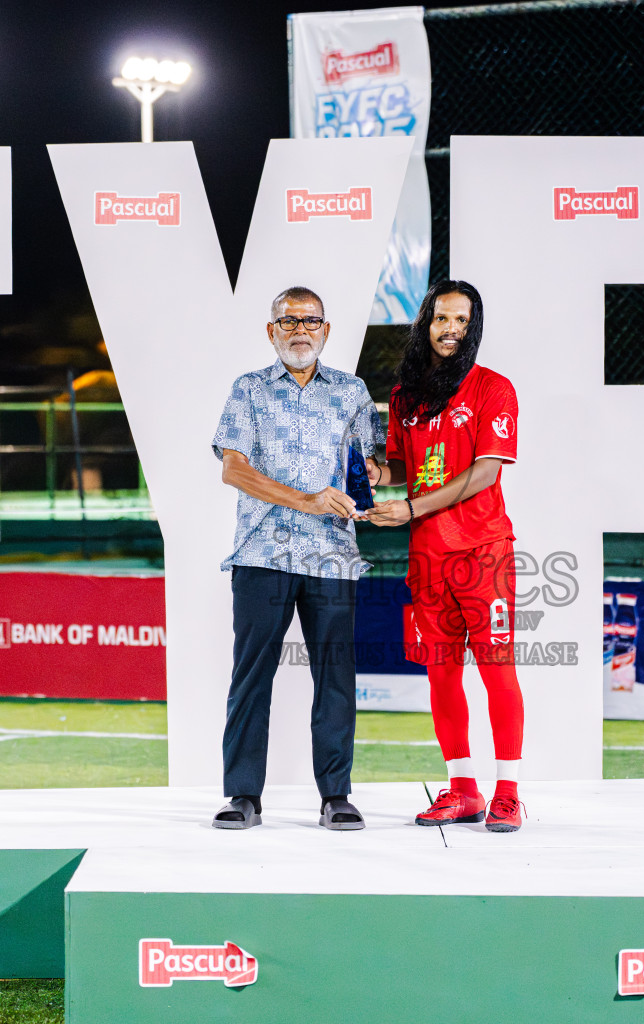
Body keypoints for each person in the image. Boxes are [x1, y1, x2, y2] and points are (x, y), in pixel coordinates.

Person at [210, 285, 383, 831]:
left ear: (326, 331)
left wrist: (371, 477)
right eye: (289, 322)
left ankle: (336, 796)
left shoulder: (353, 392)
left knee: (335, 676)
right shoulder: (249, 390)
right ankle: (242, 796)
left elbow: (368, 465)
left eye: (311, 322)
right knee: (251, 676)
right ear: (272, 331)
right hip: (262, 553)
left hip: (332, 556)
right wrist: (306, 499)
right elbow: (232, 469)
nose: (301, 330)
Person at [367, 280, 525, 833]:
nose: (450, 329)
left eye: (461, 320)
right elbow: (401, 470)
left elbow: (484, 473)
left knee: (496, 671)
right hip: (427, 558)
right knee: (440, 676)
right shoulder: (405, 396)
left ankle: (507, 792)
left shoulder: (492, 388)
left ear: (473, 326)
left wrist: (409, 508)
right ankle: (462, 790)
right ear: (425, 324)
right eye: (441, 319)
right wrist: (369, 477)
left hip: (482, 552)